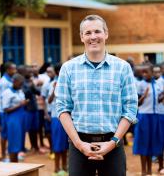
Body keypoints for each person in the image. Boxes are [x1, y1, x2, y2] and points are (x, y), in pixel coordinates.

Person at [55, 15, 138, 176]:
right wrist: (79, 144)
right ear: (81, 37)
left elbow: (130, 108)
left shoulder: (123, 68)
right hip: (79, 144)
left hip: (113, 144)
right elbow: (63, 108)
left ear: (106, 34)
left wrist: (113, 142)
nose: (93, 37)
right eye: (88, 33)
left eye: (97, 31)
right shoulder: (68, 68)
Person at [133, 64, 163, 175]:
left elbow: (159, 101)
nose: (144, 74)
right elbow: (137, 103)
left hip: (155, 116)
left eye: (147, 72)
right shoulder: (141, 84)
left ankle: (149, 170)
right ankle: (143, 170)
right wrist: (143, 96)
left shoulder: (157, 85)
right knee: (143, 143)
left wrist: (162, 95)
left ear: (152, 72)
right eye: (143, 72)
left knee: (151, 143)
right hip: (144, 116)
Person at [2, 73, 28, 162]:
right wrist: (20, 104)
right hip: (13, 119)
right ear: (15, 81)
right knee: (13, 142)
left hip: (21, 118)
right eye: (20, 83)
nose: (21, 85)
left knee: (19, 141)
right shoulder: (7, 92)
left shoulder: (19, 90)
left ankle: (16, 160)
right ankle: (13, 162)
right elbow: (6, 109)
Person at [48, 64, 68, 176]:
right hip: (57, 117)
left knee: (65, 143)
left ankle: (65, 165)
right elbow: (49, 100)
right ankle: (56, 167)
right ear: (58, 72)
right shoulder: (53, 83)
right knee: (57, 143)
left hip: (67, 117)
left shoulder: (67, 82)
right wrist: (54, 89)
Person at [0, 62, 17, 161]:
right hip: (5, 111)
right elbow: (4, 97)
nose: (15, 71)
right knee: (4, 133)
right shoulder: (4, 82)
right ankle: (3, 155)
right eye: (13, 69)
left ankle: (9, 153)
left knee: (9, 133)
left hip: (10, 110)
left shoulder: (9, 79)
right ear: (8, 70)